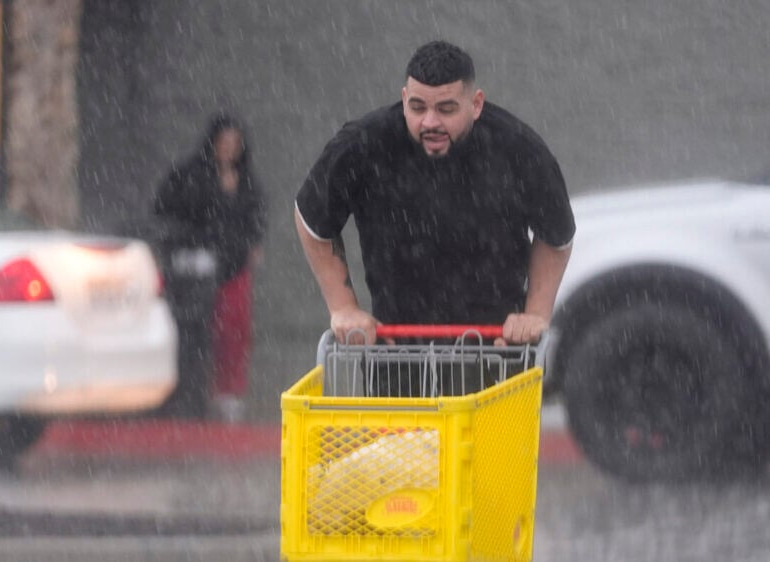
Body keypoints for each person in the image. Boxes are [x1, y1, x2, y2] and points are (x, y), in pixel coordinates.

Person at [295, 40, 575, 392]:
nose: (430, 122)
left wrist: (535, 314)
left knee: (482, 449)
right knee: (403, 449)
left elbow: (557, 234)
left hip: (496, 353)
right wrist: (343, 307)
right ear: (403, 98)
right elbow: (312, 220)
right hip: (395, 352)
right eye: (417, 107)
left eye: (446, 109)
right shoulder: (365, 144)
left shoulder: (517, 149)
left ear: (476, 104)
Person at [153, 112, 265, 421]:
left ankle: (227, 394)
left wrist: (250, 243)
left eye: (235, 143)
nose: (229, 149)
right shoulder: (191, 175)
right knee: (193, 334)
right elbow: (169, 210)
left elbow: (253, 218)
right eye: (224, 142)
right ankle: (188, 396)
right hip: (195, 269)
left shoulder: (246, 182)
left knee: (233, 331)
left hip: (233, 267)